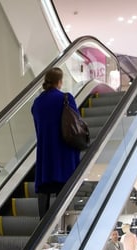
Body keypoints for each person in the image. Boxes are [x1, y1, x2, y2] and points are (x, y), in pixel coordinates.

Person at [31, 67, 82, 219]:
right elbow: (76, 125)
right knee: (65, 196)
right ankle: (63, 227)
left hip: (45, 156)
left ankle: (42, 228)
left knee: (45, 192)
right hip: (64, 154)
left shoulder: (37, 103)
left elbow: (38, 128)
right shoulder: (66, 98)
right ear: (59, 81)